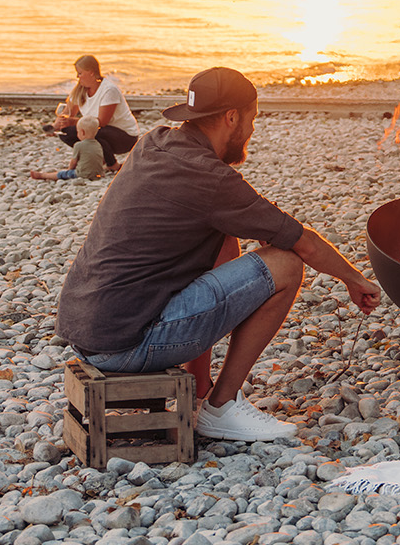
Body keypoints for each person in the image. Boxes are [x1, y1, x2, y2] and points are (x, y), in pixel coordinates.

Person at [56, 67, 382, 442]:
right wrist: (354, 279)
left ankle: (200, 386)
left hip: (89, 331)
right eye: (252, 119)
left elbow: (230, 237)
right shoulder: (210, 178)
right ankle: (222, 407)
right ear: (232, 117)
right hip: (127, 344)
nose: (252, 130)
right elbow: (302, 243)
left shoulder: (155, 142)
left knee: (225, 237)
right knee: (287, 264)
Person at [46, 55, 139, 171]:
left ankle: (112, 164)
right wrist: (55, 127)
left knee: (92, 131)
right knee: (65, 132)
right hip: (102, 132)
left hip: (125, 137)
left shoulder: (109, 90)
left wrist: (73, 122)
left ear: (90, 72)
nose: (77, 77)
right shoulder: (81, 90)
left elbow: (102, 122)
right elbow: (68, 112)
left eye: (80, 73)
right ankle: (98, 159)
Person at [29, 116, 107, 181]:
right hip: (98, 175)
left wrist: (69, 170)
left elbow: (74, 161)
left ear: (82, 132)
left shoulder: (78, 145)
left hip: (83, 174)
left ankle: (43, 175)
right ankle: (97, 174)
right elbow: (101, 159)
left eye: (78, 131)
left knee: (62, 174)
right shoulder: (98, 144)